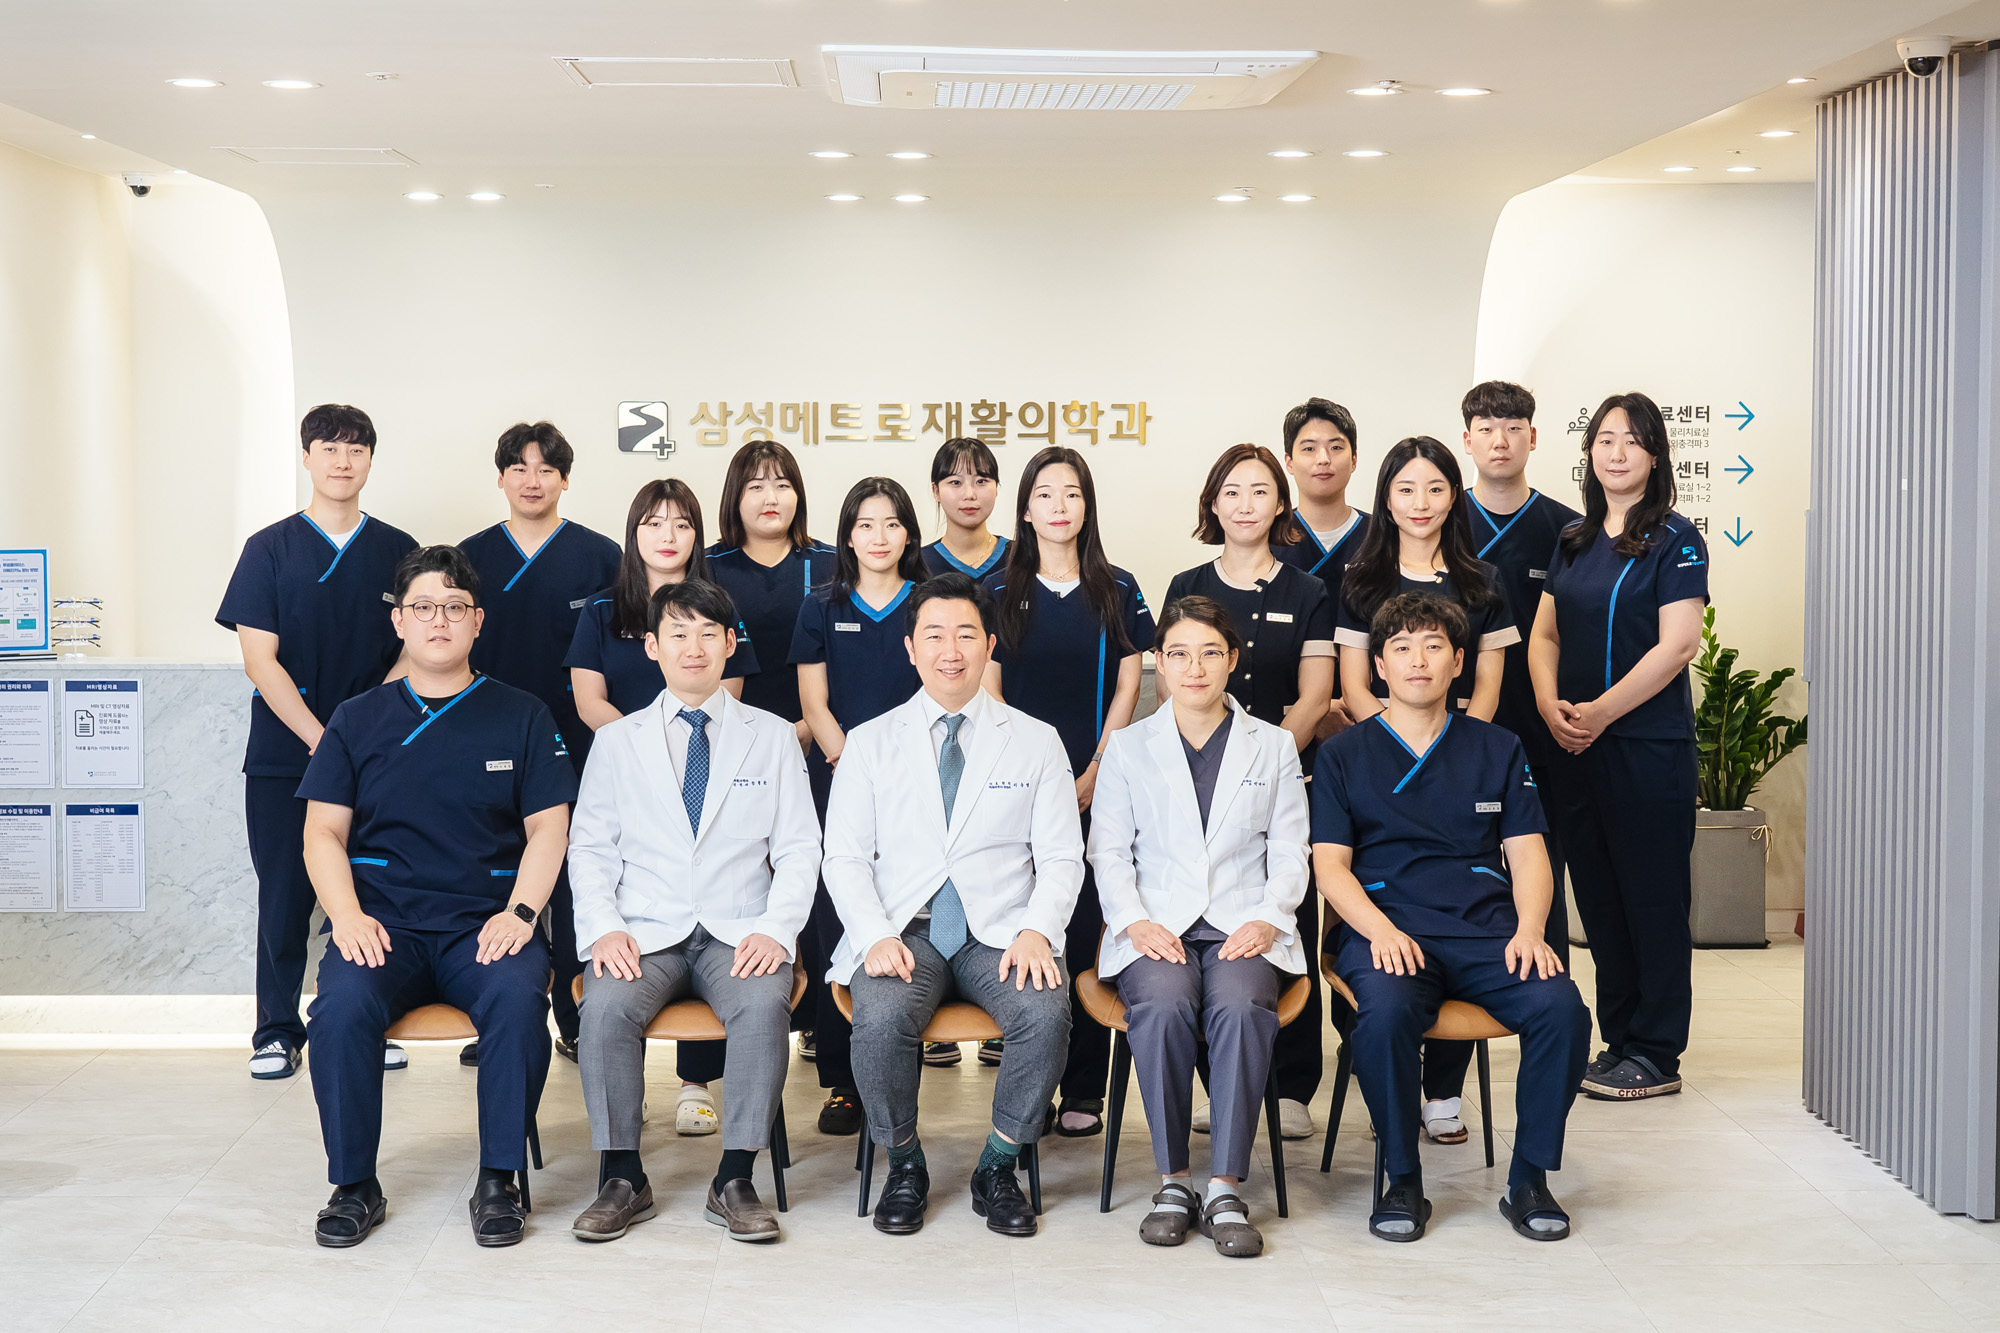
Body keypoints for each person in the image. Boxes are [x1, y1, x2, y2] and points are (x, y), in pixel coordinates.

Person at [298, 545, 576, 1249]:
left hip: (484, 925)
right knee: (339, 1010)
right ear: (399, 621)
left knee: (517, 1001)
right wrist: (346, 915)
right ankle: (354, 1183)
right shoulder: (355, 719)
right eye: (423, 606)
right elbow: (321, 833)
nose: (439, 620)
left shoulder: (522, 714)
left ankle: (499, 1178)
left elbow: (550, 827)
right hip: (381, 925)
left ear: (478, 621)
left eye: (455, 607)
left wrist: (521, 913)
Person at [1313, 593, 1590, 1244]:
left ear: (1459, 661)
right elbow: (1330, 867)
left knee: (1562, 1009)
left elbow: (1529, 854)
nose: (1419, 659)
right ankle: (1402, 1177)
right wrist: (1380, 931)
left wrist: (1530, 929)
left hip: (1485, 929)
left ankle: (1528, 1178)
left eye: (1434, 645)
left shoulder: (1498, 747)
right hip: (1387, 927)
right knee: (1383, 1015)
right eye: (1402, 647)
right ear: (1379, 665)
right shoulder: (1344, 754)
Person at [824, 573, 1084, 1238]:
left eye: (966, 634)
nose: (951, 650)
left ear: (990, 644)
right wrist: (874, 934)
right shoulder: (870, 741)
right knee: (880, 1018)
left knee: (1045, 1013)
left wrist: (1037, 930)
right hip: (903, 929)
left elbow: (1062, 856)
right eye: (934, 635)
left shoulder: (1036, 740)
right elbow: (844, 857)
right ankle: (905, 1163)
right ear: (910, 648)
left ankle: (997, 1164)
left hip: (1001, 931)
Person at [568, 578, 820, 1244]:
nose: (694, 647)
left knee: (763, 1004)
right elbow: (589, 848)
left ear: (731, 643)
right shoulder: (617, 741)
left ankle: (734, 1177)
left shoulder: (771, 736)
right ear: (652, 646)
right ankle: (622, 1176)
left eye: (709, 633)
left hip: (741, 930)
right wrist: (605, 928)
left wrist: (776, 928)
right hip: (643, 930)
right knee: (605, 1008)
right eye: (678, 633)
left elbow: (801, 848)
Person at [1089, 596, 1309, 1258]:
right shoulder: (1128, 747)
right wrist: (1133, 921)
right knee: (1161, 1004)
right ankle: (1173, 1180)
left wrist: (1269, 918)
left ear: (1232, 659)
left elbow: (1291, 851)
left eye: (1210, 652)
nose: (1194, 667)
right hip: (1156, 923)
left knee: (1240, 1006)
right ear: (1158, 661)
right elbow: (1108, 851)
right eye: (1178, 653)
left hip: (1244, 923)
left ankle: (1224, 1185)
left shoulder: (1272, 745)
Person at [216, 403, 418, 1082]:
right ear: (306, 457)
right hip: (284, 756)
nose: (342, 460)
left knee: (369, 888)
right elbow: (259, 659)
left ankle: (365, 1020)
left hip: (376, 753)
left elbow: (414, 649)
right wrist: (321, 736)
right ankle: (276, 1031)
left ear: (370, 460)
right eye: (329, 447)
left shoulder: (399, 550)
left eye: (356, 449)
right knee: (284, 894)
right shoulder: (268, 548)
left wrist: (359, 732)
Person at [1333, 435, 1519, 1145]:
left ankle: (1442, 1090)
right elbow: (1355, 686)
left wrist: (1452, 754)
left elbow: (1488, 688)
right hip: (1377, 766)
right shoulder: (1359, 579)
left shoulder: (1483, 581)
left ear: (1454, 495)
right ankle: (1388, 1076)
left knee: (1464, 912)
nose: (1421, 502)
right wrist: (1396, 747)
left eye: (1436, 488)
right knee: (1381, 932)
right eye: (1406, 489)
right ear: (1386, 498)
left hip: (1463, 768)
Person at [565, 478, 758, 1133]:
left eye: (681, 523)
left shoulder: (719, 607)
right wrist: (647, 747)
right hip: (626, 767)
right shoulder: (602, 609)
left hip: (708, 760)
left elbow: (726, 694)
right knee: (638, 932)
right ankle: (624, 1117)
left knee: (713, 912)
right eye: (654, 523)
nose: (668, 536)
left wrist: (685, 744)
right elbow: (588, 699)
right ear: (634, 533)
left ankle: (695, 1082)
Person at [1530, 392, 1707, 1101]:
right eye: (1605, 439)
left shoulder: (1676, 539)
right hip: (1575, 745)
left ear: (1655, 454)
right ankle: (1619, 1040)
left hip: (1645, 745)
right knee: (1599, 899)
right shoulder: (1573, 538)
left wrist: (1601, 711)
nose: (1616, 452)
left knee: (1652, 898)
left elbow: (1679, 645)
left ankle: (1656, 1052)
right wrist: (1548, 703)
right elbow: (1544, 634)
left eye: (1632, 440)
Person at [1161, 443, 1333, 1141]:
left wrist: (1265, 764)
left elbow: (1316, 694)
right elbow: (1177, 682)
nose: (1245, 504)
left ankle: (1291, 1086)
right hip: (1197, 775)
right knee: (1205, 926)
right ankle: (1217, 1083)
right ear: (1213, 503)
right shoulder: (1187, 582)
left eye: (1260, 490)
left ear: (1280, 503)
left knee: (1283, 919)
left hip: (1287, 772)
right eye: (1231, 491)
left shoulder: (1308, 590)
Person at [985, 446, 1154, 1138]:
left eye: (1072, 493)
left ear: (1088, 506)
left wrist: (1096, 766)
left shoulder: (1117, 586)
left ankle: (1085, 1086)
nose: (1060, 506)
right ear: (1025, 509)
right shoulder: (997, 589)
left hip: (1097, 781)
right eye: (1046, 494)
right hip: (1016, 784)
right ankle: (1028, 1091)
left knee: (1085, 931)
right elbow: (990, 690)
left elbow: (1130, 682)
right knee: (1023, 927)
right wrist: (1044, 778)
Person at [457, 420, 620, 1068]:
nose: (532, 480)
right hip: (486, 739)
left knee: (578, 880)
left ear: (565, 479)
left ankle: (578, 1020)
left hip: (580, 742)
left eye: (546, 468)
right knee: (493, 874)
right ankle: (493, 1012)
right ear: (500, 478)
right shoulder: (469, 557)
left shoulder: (601, 556)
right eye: (519, 468)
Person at [790, 477, 927, 1134]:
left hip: (919, 785)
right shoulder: (821, 605)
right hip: (838, 776)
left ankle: (900, 1070)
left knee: (909, 915)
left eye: (892, 523)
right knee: (835, 921)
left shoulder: (927, 603)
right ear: (846, 535)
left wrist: (896, 774)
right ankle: (843, 1083)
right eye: (865, 524)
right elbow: (813, 704)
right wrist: (853, 766)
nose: (879, 536)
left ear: (909, 534)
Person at [1457, 382, 1581, 972]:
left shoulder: (1569, 530)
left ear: (1533, 437)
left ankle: (1545, 986)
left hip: (1543, 721)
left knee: (1542, 858)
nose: (1499, 441)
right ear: (1467, 441)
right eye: (1486, 429)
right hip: (1457, 721)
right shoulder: (1439, 518)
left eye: (1512, 428)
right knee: (1458, 857)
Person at [1272, 398, 1369, 652]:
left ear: (1354, 459)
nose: (1323, 459)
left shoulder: (1382, 535)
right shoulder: (1269, 539)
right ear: (1289, 462)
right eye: (1309, 449)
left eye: (1336, 447)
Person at [922, 436, 1011, 580]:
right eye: (955, 482)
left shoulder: (1022, 557)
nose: (969, 495)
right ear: (936, 491)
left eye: (981, 481)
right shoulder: (918, 565)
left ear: (996, 488)